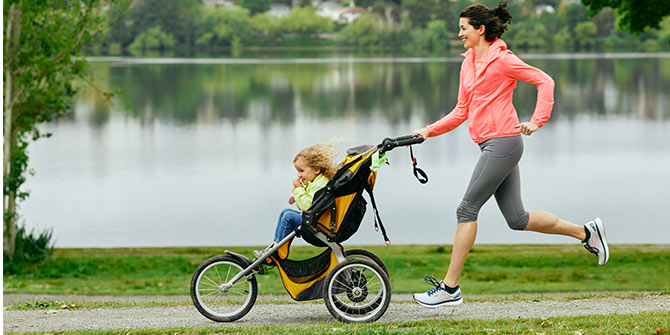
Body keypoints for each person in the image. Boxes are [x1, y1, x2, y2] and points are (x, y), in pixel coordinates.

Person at [410, 2, 609, 308]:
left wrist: (537, 120)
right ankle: (586, 232)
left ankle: (449, 288)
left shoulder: (503, 60)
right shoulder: (468, 63)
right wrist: (428, 130)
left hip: (503, 142)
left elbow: (546, 81)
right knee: (517, 219)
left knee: (466, 210)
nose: (459, 33)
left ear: (480, 30)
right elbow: (461, 111)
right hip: (491, 144)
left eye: (464, 28)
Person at [254, 143, 338, 258]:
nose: (299, 175)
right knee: (285, 212)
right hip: (316, 219)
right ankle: (275, 245)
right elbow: (309, 201)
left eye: (301, 171)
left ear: (316, 169)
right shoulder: (317, 181)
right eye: (298, 172)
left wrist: (298, 188)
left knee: (288, 216)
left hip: (318, 225)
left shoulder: (320, 184)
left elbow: (307, 206)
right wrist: (298, 193)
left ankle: (277, 251)